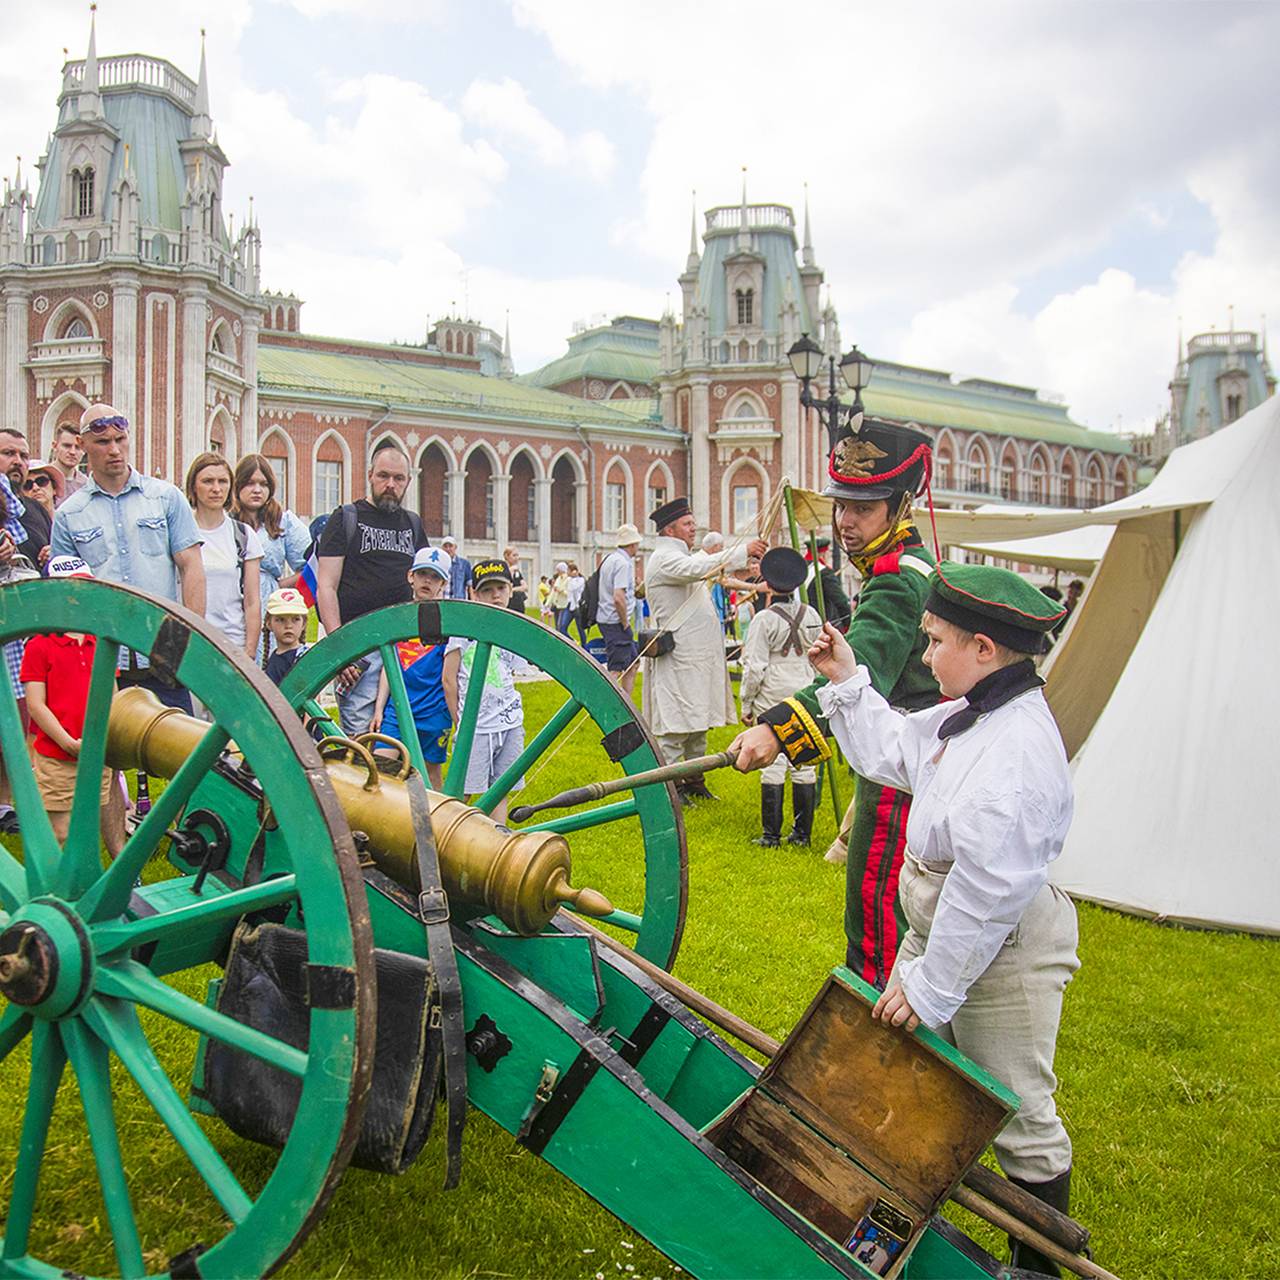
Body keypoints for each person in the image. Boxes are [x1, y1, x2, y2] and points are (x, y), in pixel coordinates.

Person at [807, 561, 1076, 1276]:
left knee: (1017, 1111)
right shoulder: (970, 713)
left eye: (934, 642)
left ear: (984, 648)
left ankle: (1038, 1266)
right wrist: (845, 678)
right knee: (904, 1081)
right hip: (944, 931)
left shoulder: (1015, 755)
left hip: (1001, 946)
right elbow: (892, 749)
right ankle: (876, 1237)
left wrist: (928, 988)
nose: (923, 657)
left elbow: (986, 893)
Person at [731, 418, 939, 989]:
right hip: (917, 758)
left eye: (863, 508)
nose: (845, 521)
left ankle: (875, 1024)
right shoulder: (899, 567)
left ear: (900, 507)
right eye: (842, 504)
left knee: (875, 907)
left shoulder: (897, 579)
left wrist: (777, 729)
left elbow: (861, 672)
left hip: (901, 767)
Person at [51, 403, 205, 714]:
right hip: (103, 656)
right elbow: (67, 595)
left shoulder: (164, 497)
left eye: (120, 439)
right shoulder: (69, 514)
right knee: (106, 753)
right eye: (103, 442)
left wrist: (188, 635)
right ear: (82, 446)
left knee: (179, 752)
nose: (114, 450)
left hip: (163, 648)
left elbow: (191, 567)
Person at [643, 496, 767, 802]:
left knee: (697, 722)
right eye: (687, 524)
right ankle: (671, 788)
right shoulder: (663, 558)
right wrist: (743, 550)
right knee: (675, 726)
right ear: (670, 530)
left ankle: (693, 780)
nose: (692, 528)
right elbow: (698, 566)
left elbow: (702, 564)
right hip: (679, 658)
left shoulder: (681, 556)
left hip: (695, 658)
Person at [315, 442, 428, 736]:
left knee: (403, 734)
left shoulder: (413, 525)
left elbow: (427, 587)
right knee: (360, 737)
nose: (391, 485)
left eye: (398, 478)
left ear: (408, 481)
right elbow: (326, 586)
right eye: (383, 476)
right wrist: (341, 651)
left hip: (402, 646)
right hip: (359, 650)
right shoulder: (346, 518)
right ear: (370, 475)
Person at [20, 555, 127, 857]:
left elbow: (112, 694)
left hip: (96, 750)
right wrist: (66, 741)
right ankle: (58, 890)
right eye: (68, 589)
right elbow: (36, 705)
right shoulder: (39, 645)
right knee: (61, 832)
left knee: (85, 828)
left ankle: (83, 887)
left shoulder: (99, 643)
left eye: (84, 589)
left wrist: (110, 732)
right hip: (57, 754)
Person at [739, 548, 824, 848]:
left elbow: (755, 667)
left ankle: (771, 835)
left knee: (773, 764)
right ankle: (802, 835)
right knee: (804, 761)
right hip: (803, 685)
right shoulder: (811, 614)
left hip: (772, 689)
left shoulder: (763, 620)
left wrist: (746, 704)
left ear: (770, 584)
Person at [442, 558, 529, 823]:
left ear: (510, 591)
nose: (495, 596)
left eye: (501, 589)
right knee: (463, 792)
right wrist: (462, 722)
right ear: (474, 594)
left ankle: (497, 841)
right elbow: (449, 679)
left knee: (499, 788)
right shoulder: (462, 631)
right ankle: (444, 833)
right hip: (476, 726)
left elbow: (510, 672)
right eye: (487, 590)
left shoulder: (513, 630)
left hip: (510, 722)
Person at [372, 546, 453, 789]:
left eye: (435, 576)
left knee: (431, 772)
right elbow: (390, 667)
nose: (427, 581)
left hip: (433, 711)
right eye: (422, 574)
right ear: (411, 576)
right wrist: (378, 709)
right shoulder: (399, 620)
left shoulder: (449, 626)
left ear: (443, 584)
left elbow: (451, 674)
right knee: (381, 768)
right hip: (398, 710)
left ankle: (437, 819)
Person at [186, 452, 264, 662]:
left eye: (222, 481)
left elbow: (252, 600)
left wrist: (249, 651)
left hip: (232, 643)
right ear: (194, 486)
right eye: (208, 481)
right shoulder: (181, 532)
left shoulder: (244, 535)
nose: (216, 489)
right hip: (190, 643)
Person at [232, 454, 311, 620]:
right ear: (237, 485)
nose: (257, 490)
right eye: (250, 483)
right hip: (231, 605)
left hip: (268, 607)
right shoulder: (226, 522)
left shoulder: (283, 521)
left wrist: (278, 588)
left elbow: (311, 567)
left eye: (264, 484)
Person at [596, 524, 642, 696]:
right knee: (615, 669)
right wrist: (625, 623)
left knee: (633, 662)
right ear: (632, 545)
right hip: (615, 622)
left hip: (607, 618)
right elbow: (618, 597)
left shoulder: (610, 558)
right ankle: (604, 703)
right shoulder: (623, 563)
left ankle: (627, 705)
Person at [0, 428, 50, 568]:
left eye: (24, 456)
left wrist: (54, 553)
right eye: (8, 453)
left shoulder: (36, 508)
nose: (18, 461)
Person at [262, 588, 311, 686]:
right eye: (280, 620)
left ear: (303, 624)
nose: (288, 626)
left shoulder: (303, 657)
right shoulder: (273, 658)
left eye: (295, 619)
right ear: (269, 624)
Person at [807, 536, 852, 632]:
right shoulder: (824, 573)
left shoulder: (799, 570)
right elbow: (840, 601)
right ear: (823, 553)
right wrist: (847, 624)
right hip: (819, 628)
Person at [49, 422, 87, 504]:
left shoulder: (86, 485)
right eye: (67, 446)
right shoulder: (41, 480)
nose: (72, 452)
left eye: (77, 447)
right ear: (55, 446)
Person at [440, 534, 471, 600]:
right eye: (445, 546)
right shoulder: (439, 564)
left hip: (458, 602)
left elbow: (470, 586)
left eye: (450, 546)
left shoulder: (464, 564)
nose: (448, 549)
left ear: (455, 547)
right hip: (442, 601)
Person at [566, 561, 587, 644]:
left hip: (578, 606)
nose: (567, 573)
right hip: (570, 605)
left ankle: (584, 646)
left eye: (568, 571)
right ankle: (572, 642)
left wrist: (574, 578)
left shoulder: (581, 580)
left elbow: (573, 588)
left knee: (580, 628)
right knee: (562, 627)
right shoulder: (569, 579)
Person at [549, 561, 572, 634]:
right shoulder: (559, 579)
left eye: (558, 570)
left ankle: (569, 641)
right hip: (557, 605)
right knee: (557, 626)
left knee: (560, 626)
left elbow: (568, 593)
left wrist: (560, 591)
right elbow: (553, 592)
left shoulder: (568, 579)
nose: (557, 572)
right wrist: (548, 603)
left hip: (564, 605)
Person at [504, 546, 528, 614]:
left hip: (519, 602)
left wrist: (513, 589)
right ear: (507, 556)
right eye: (514, 555)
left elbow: (525, 587)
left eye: (517, 555)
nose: (516, 558)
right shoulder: (505, 570)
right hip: (510, 603)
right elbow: (508, 586)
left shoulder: (517, 571)